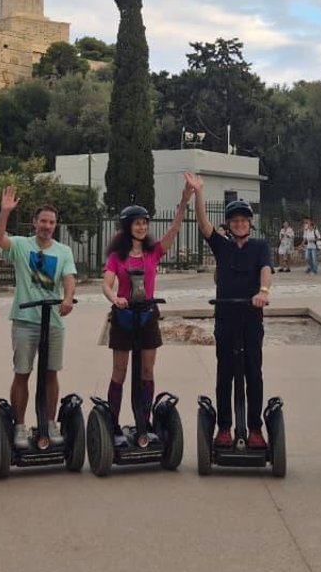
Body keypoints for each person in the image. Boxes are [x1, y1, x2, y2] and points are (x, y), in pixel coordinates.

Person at [101, 180, 192, 444]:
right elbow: (106, 284)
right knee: (120, 370)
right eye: (137, 222)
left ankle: (145, 421)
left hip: (148, 314)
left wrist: (184, 202)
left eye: (145, 222)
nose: (142, 227)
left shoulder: (153, 252)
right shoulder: (117, 256)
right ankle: (114, 424)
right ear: (127, 226)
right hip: (124, 315)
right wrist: (115, 297)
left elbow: (174, 229)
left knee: (147, 372)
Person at [184, 173, 271, 448]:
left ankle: (255, 428)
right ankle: (224, 427)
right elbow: (203, 223)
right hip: (226, 317)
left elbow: (266, 270)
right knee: (226, 373)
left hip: (251, 317)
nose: (240, 224)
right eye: (235, 221)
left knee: (253, 372)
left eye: (244, 220)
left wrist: (263, 292)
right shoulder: (222, 245)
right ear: (230, 225)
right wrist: (199, 193)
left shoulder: (260, 246)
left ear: (250, 223)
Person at [0, 187, 78, 448]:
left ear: (56, 225)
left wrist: (67, 299)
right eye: (43, 221)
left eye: (51, 222)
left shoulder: (63, 251)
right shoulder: (20, 245)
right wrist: (5, 212)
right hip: (25, 319)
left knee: (51, 373)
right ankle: (19, 425)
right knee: (23, 372)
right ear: (35, 223)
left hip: (52, 321)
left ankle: (50, 422)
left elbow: (69, 279)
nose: (47, 226)